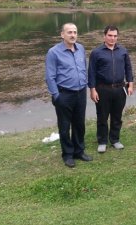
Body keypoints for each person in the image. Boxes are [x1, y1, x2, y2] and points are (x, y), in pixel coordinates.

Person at [45, 23, 92, 168]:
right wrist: (56, 95)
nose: (73, 35)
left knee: (79, 124)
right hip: (64, 93)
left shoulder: (80, 49)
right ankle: (68, 154)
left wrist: (86, 85)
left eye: (75, 32)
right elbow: (50, 76)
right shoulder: (53, 52)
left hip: (80, 93)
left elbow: (83, 67)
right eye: (69, 32)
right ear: (62, 34)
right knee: (65, 126)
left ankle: (79, 151)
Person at [88, 25, 133, 153]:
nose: (112, 38)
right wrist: (92, 89)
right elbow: (91, 72)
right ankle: (102, 141)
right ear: (104, 36)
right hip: (103, 89)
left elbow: (128, 68)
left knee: (117, 116)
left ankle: (115, 139)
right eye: (110, 35)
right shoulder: (96, 52)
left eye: (115, 36)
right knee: (102, 116)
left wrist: (130, 84)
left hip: (120, 89)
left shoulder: (123, 51)